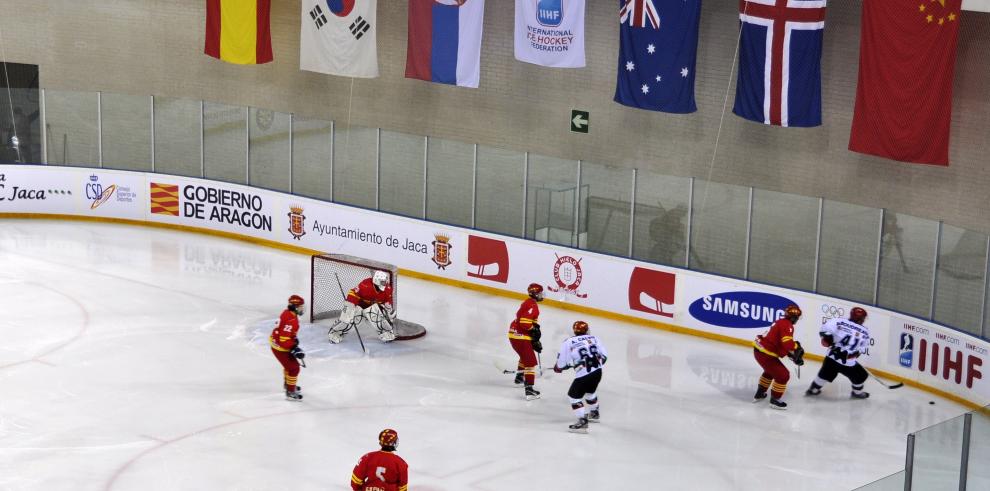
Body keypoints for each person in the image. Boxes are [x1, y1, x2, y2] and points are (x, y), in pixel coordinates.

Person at [554, 321, 608, 433]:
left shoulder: (568, 342)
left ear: (574, 331)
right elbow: (604, 356)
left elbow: (561, 363)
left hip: (584, 374)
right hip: (598, 372)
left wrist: (559, 368)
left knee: (573, 396)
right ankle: (594, 413)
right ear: (587, 330)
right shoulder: (594, 338)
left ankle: (583, 421)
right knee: (590, 392)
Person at [806, 307, 872, 399]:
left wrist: (828, 340)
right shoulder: (865, 331)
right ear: (861, 319)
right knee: (861, 376)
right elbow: (861, 349)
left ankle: (813, 389)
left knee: (824, 374)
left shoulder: (839, 321)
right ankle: (857, 393)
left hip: (832, 357)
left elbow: (824, 333)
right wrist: (852, 355)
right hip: (849, 363)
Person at [752, 305, 805, 410]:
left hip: (760, 351)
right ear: (794, 317)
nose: (797, 320)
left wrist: (792, 355)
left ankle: (760, 393)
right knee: (783, 375)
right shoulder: (787, 325)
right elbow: (788, 344)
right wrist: (797, 347)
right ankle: (775, 400)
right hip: (765, 354)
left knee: (770, 371)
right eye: (797, 318)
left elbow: (779, 343)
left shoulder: (781, 322)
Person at [329, 270, 396, 343]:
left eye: (385, 281)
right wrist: (350, 306)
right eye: (383, 282)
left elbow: (388, 301)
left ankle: (386, 333)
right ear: (376, 281)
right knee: (351, 319)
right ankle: (336, 332)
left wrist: (388, 310)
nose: (385, 284)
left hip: (372, 309)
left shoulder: (388, 289)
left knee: (381, 317)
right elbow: (353, 293)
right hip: (359, 307)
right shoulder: (365, 285)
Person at [509, 283, 544, 400]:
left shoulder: (528, 302)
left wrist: (533, 337)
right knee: (530, 363)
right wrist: (534, 330)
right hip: (520, 336)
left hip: (514, 334)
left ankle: (519, 377)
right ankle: (529, 391)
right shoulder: (533, 306)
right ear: (535, 294)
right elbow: (524, 322)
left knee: (525, 356)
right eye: (540, 293)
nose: (542, 295)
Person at [270, 295, 306, 401]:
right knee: (294, 368)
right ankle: (290, 392)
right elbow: (283, 340)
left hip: (277, 343)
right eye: (300, 307)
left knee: (289, 366)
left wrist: (293, 338)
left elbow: (285, 333)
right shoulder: (291, 320)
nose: (302, 309)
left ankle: (288, 385)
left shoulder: (288, 313)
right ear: (294, 307)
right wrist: (294, 348)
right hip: (279, 347)